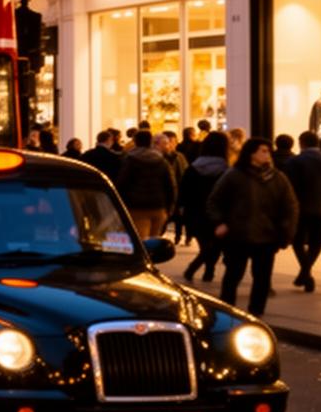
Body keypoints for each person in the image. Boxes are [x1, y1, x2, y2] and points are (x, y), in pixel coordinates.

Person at [207, 136, 299, 316]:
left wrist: (286, 232)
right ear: (251, 153)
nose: (268, 154)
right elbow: (214, 201)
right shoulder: (235, 175)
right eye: (263, 151)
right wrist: (220, 222)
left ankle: (256, 313)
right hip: (238, 235)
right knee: (233, 275)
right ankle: (227, 312)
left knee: (262, 279)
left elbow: (291, 206)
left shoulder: (277, 178)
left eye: (268, 151)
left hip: (267, 236)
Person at [285, 130, 321, 292]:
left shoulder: (295, 162)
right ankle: (305, 272)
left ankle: (305, 272)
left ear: (301, 143)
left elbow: (290, 187)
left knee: (297, 240)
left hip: (302, 207)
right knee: (316, 242)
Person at [183, 131, 233, 283]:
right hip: (219, 213)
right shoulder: (227, 170)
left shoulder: (193, 168)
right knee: (216, 244)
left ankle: (203, 270)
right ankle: (201, 269)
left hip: (195, 212)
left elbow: (185, 191)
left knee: (205, 245)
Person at [116, 130, 176, 238]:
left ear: (136, 141)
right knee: (155, 239)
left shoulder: (130, 160)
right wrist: (169, 207)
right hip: (158, 206)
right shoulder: (161, 160)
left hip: (137, 207)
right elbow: (170, 185)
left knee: (142, 241)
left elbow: (122, 184)